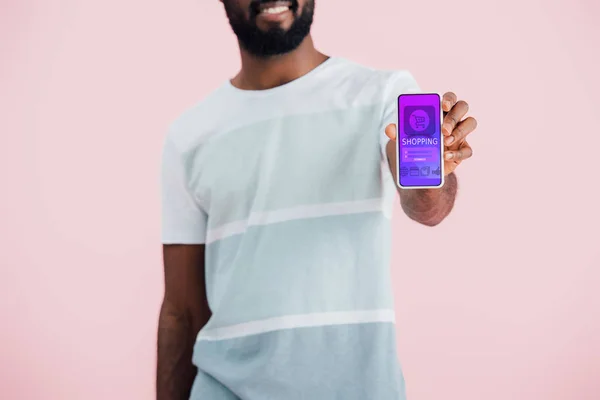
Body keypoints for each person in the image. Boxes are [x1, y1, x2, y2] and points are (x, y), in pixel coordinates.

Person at [157, 0, 477, 399]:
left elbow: (425, 204)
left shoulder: (385, 95)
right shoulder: (190, 135)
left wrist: (432, 172)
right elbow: (181, 312)